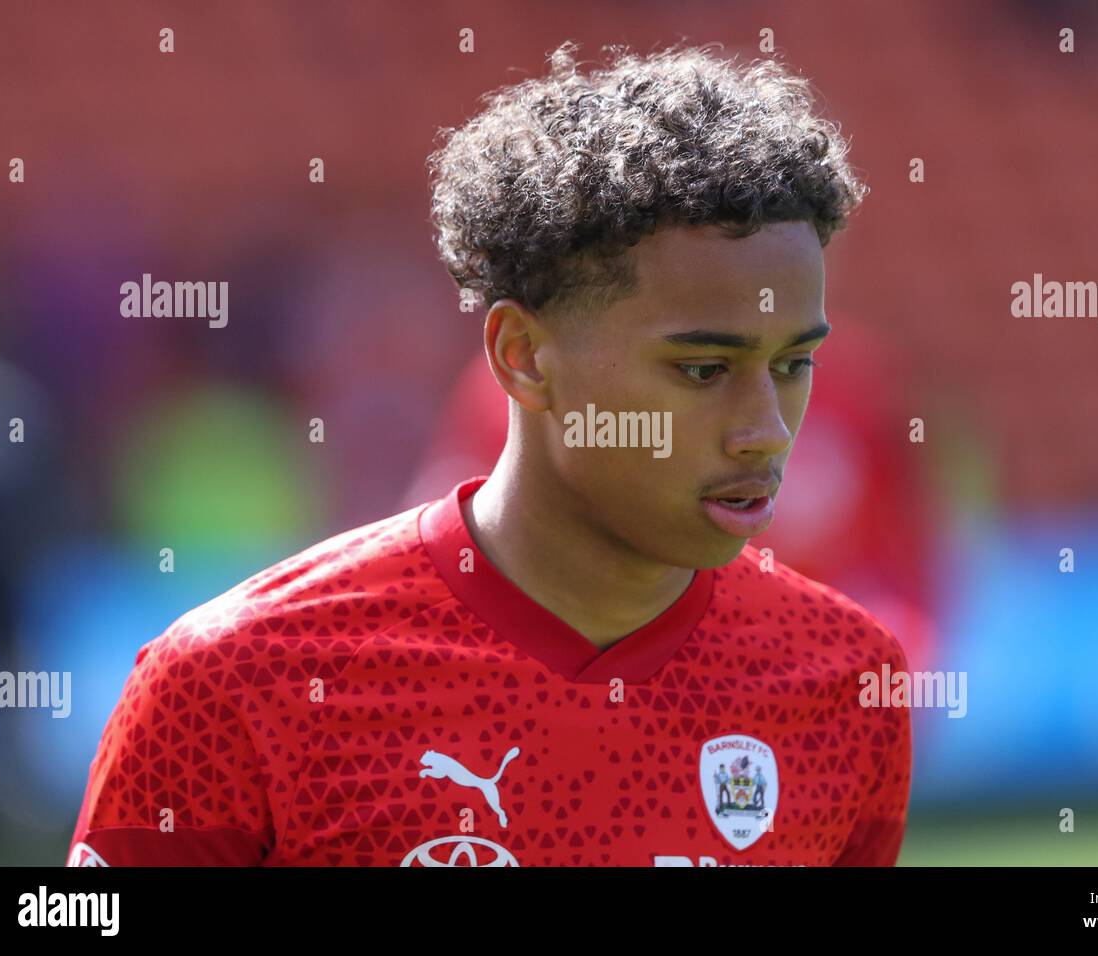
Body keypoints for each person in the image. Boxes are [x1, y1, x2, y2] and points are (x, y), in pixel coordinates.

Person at [67, 41, 911, 867]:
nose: (763, 429)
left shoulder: (846, 679)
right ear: (523, 356)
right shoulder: (236, 683)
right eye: (702, 369)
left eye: (793, 364)